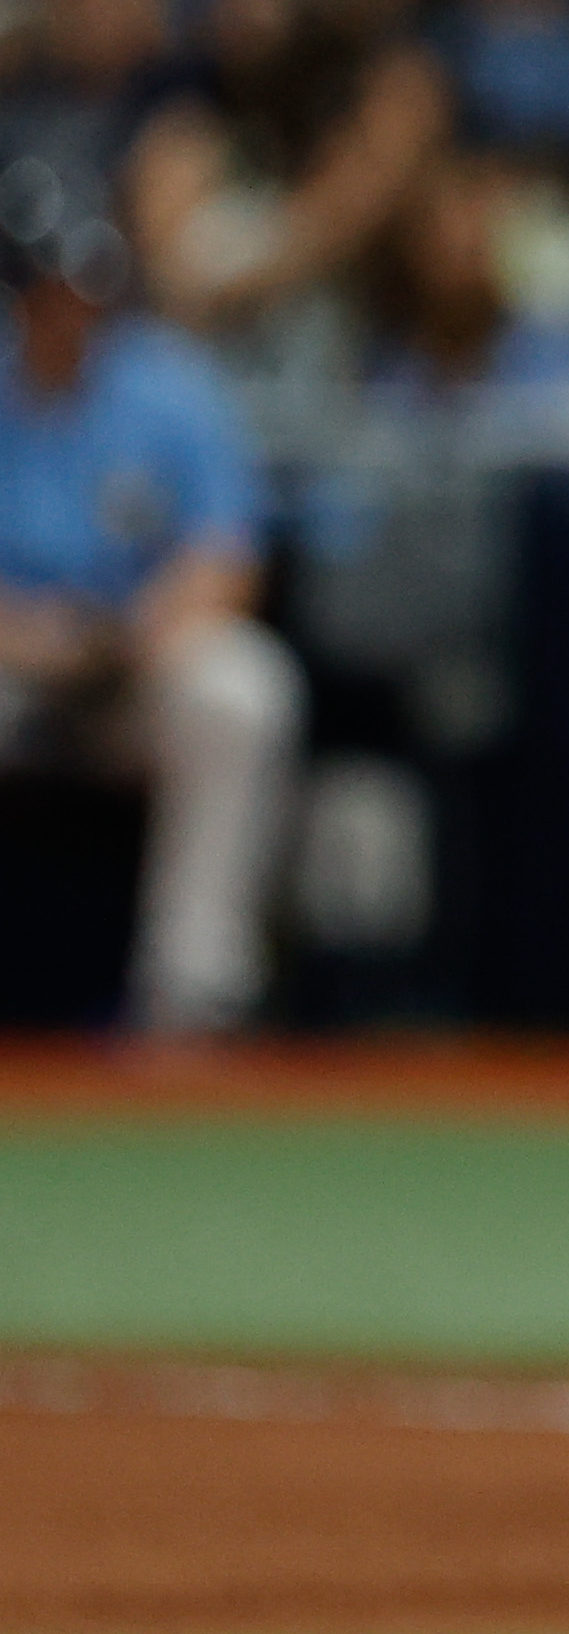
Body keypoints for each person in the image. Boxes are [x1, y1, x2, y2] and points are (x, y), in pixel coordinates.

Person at [0, 160, 298, 1037]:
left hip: (137, 662)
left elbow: (228, 558)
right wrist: (29, 638)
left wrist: (134, 634)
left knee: (242, 692)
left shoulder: (169, 383)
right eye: (55, 289)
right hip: (17, 666)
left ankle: (195, 990)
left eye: (90, 288)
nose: (76, 309)